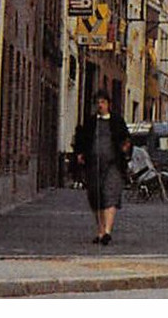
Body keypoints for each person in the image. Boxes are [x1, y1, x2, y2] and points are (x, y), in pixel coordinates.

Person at [73, 93, 131, 245]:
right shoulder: (90, 122)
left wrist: (125, 148)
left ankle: (107, 232)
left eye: (103, 102)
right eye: (97, 102)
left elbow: (126, 139)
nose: (100, 105)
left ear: (108, 104)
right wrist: (80, 154)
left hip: (113, 164)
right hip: (94, 164)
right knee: (96, 196)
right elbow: (81, 139)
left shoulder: (117, 121)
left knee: (111, 194)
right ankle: (100, 230)